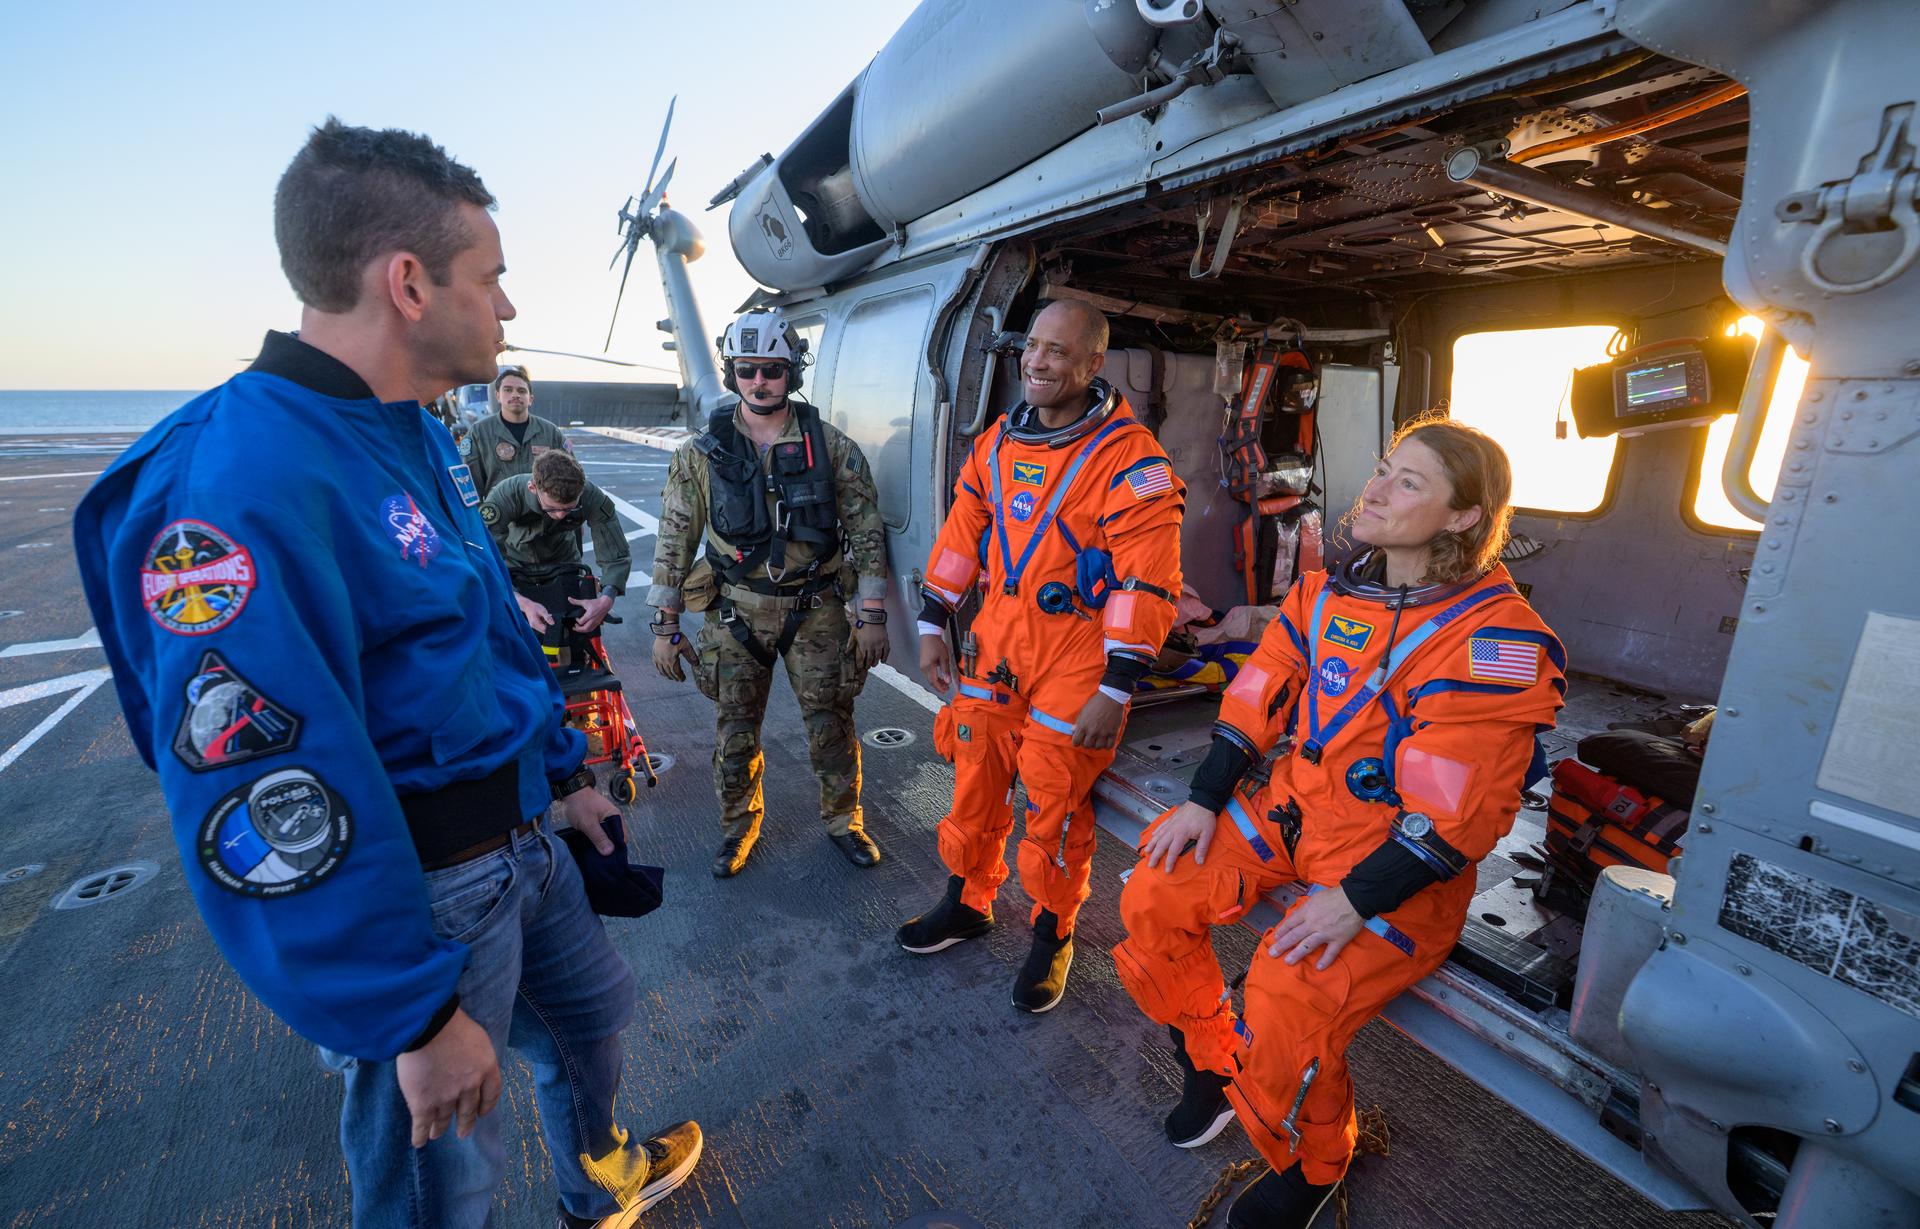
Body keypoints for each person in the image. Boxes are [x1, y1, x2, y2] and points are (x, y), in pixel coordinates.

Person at [72, 118, 700, 1229]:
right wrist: (408, 1016)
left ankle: (595, 1180)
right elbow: (262, 788)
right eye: (493, 278)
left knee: (593, 1014)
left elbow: (481, 631)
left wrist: (563, 774)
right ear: (409, 282)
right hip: (429, 895)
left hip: (523, 840)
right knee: (436, 1187)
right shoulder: (240, 482)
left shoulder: (404, 430)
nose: (507, 308)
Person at [1111, 417, 1565, 1227]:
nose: (1377, 487)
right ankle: (1213, 1067)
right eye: (1384, 467)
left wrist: (1352, 900)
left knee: (1286, 993)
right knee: (1155, 888)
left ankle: (1316, 1164)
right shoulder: (1326, 590)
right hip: (1292, 811)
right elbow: (1257, 695)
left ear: (1464, 517)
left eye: (1409, 482)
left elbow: (1455, 817)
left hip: (1396, 867)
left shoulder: (1493, 640)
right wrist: (1204, 798)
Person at [896, 299, 1185, 1014]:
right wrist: (933, 619)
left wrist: (1116, 687)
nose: (1038, 361)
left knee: (1052, 802)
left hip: (1076, 656)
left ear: (1092, 365)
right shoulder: (997, 443)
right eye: (1033, 347)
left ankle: (1053, 928)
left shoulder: (1131, 460)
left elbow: (1147, 578)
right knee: (975, 777)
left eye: (1058, 352)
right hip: (998, 643)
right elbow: (964, 532)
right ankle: (969, 898)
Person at [647, 310, 892, 877]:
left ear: (792, 373)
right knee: (734, 731)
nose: (760, 381)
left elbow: (866, 530)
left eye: (773, 370)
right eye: (748, 369)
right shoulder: (699, 455)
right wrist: (664, 626)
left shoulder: (832, 448)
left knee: (831, 723)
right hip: (736, 611)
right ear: (733, 372)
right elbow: (673, 540)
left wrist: (871, 613)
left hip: (818, 610)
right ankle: (738, 828)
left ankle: (843, 820)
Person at [482, 449, 630, 636]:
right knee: (511, 637)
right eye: (552, 508)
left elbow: (615, 553)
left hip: (564, 564)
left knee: (572, 637)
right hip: (515, 567)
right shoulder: (505, 496)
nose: (560, 516)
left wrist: (607, 599)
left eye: (569, 509)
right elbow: (485, 557)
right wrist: (518, 599)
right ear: (532, 488)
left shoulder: (591, 496)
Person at [465, 364, 571, 497]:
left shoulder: (550, 432)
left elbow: (570, 474)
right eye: (508, 390)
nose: (515, 395)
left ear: (530, 399)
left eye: (521, 391)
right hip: (498, 513)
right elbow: (469, 483)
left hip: (543, 514)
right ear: (497, 396)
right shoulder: (479, 432)